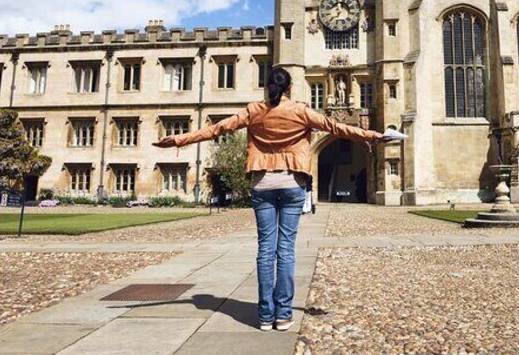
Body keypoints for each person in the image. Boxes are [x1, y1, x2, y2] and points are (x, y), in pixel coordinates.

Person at [153, 67, 387, 331]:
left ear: (268, 88)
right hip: (291, 184)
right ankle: (283, 315)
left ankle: (265, 316)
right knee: (285, 250)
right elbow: (338, 127)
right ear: (289, 88)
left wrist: (179, 140)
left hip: (262, 184)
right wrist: (375, 136)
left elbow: (217, 128)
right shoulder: (301, 111)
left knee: (266, 251)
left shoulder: (254, 110)